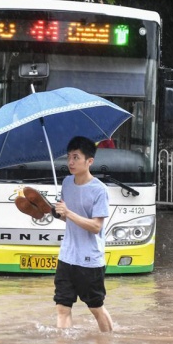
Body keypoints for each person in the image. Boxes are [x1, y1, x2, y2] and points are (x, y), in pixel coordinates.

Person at [52, 136, 113, 333]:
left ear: (89, 161)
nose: (70, 162)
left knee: (95, 307)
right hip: (67, 256)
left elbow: (96, 226)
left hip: (90, 260)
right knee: (62, 307)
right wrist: (49, 211)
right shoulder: (67, 183)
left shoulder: (99, 190)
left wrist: (68, 212)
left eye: (76, 157)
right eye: (68, 157)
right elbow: (67, 218)